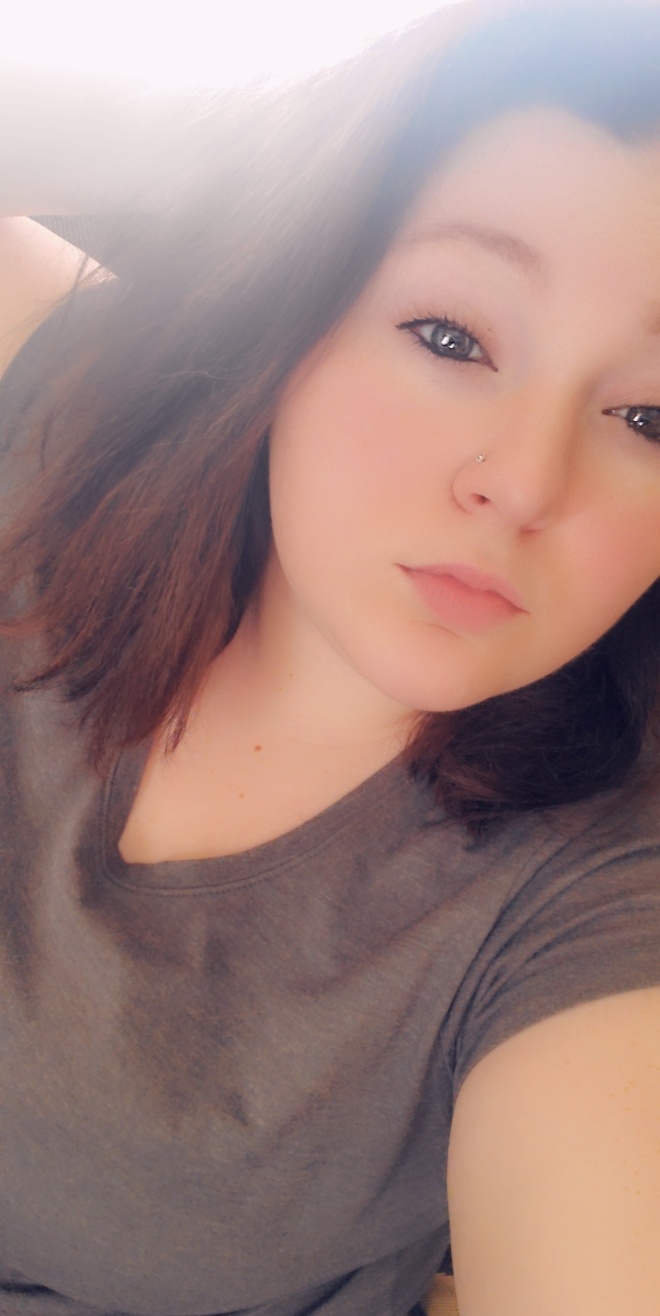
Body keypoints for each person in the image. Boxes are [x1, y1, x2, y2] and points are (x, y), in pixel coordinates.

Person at [0, 2, 659, 1313]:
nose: (526, 481)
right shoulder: (71, 411)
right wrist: (293, 162)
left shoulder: (596, 896)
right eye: (451, 337)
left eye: (651, 415)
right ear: (303, 304)